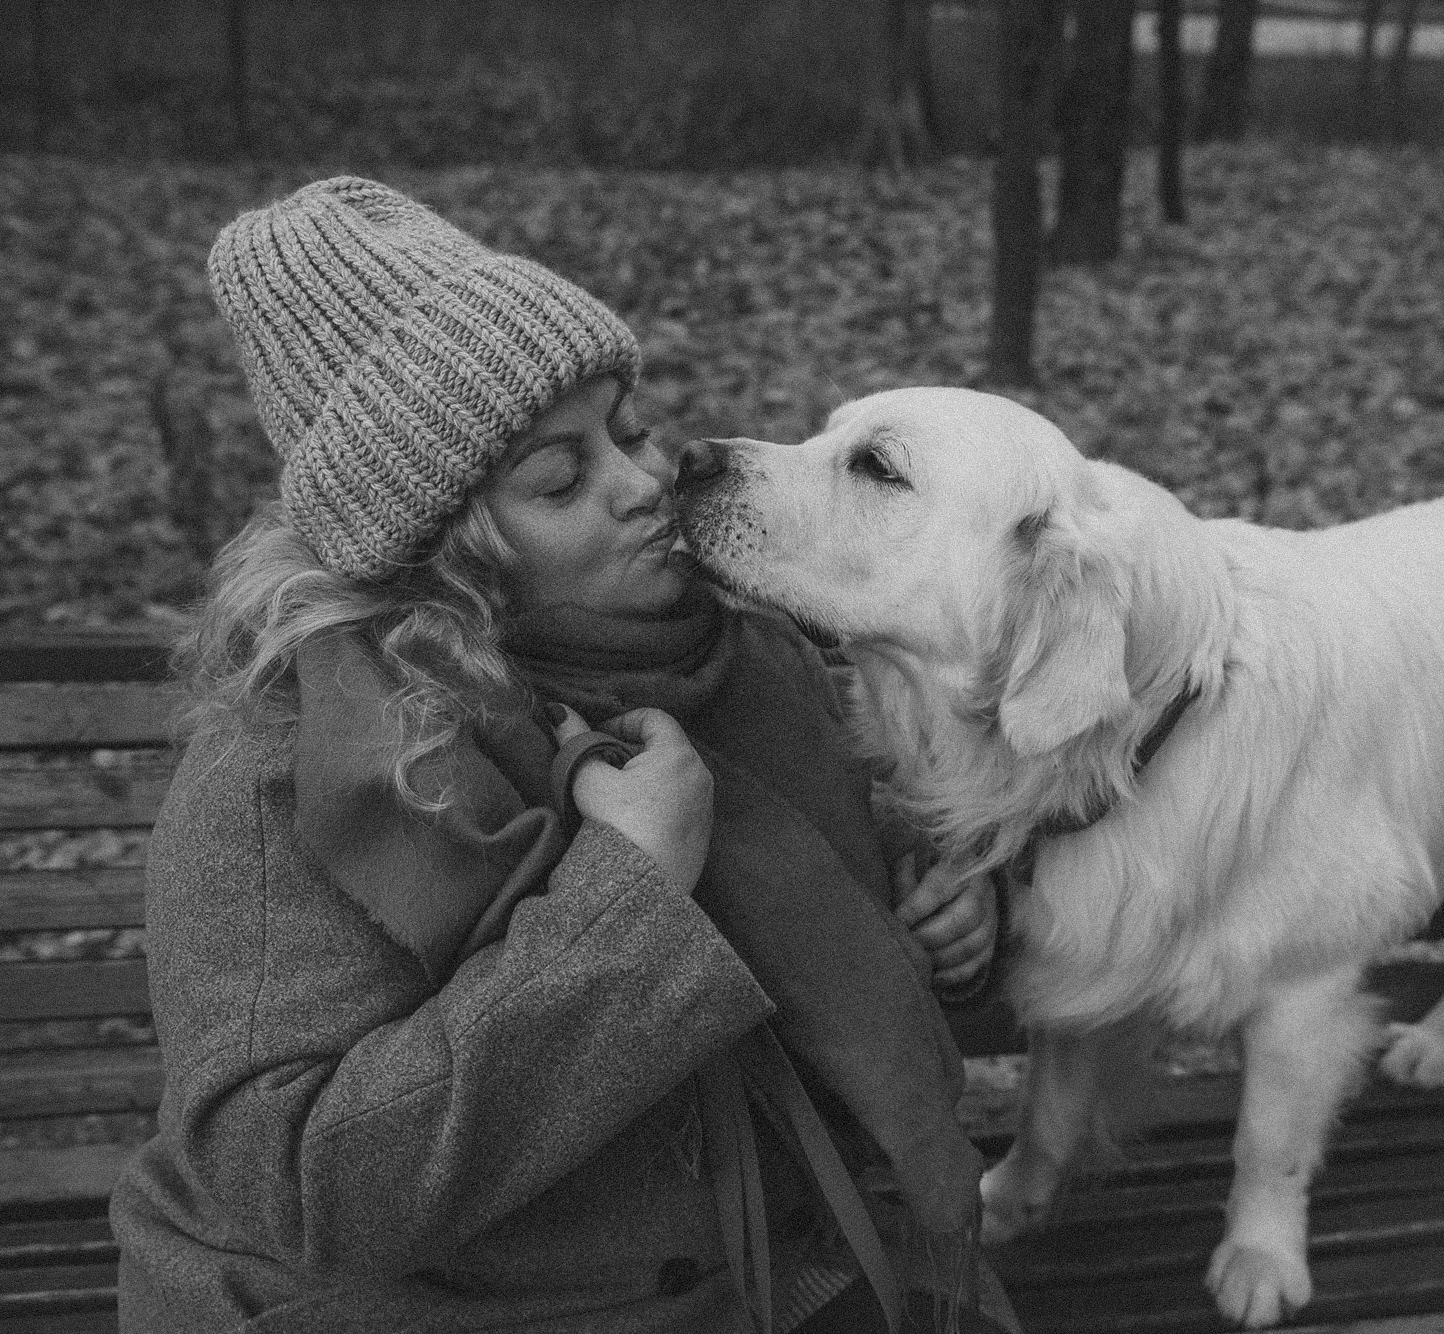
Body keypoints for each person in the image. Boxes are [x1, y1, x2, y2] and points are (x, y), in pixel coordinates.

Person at [109, 176, 1017, 1334]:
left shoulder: (745, 664)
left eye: (628, 428)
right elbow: (305, 1189)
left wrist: (950, 919)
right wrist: (624, 901)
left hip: (780, 1267)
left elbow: (832, 900)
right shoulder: (293, 766)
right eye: (559, 477)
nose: (643, 483)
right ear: (444, 552)